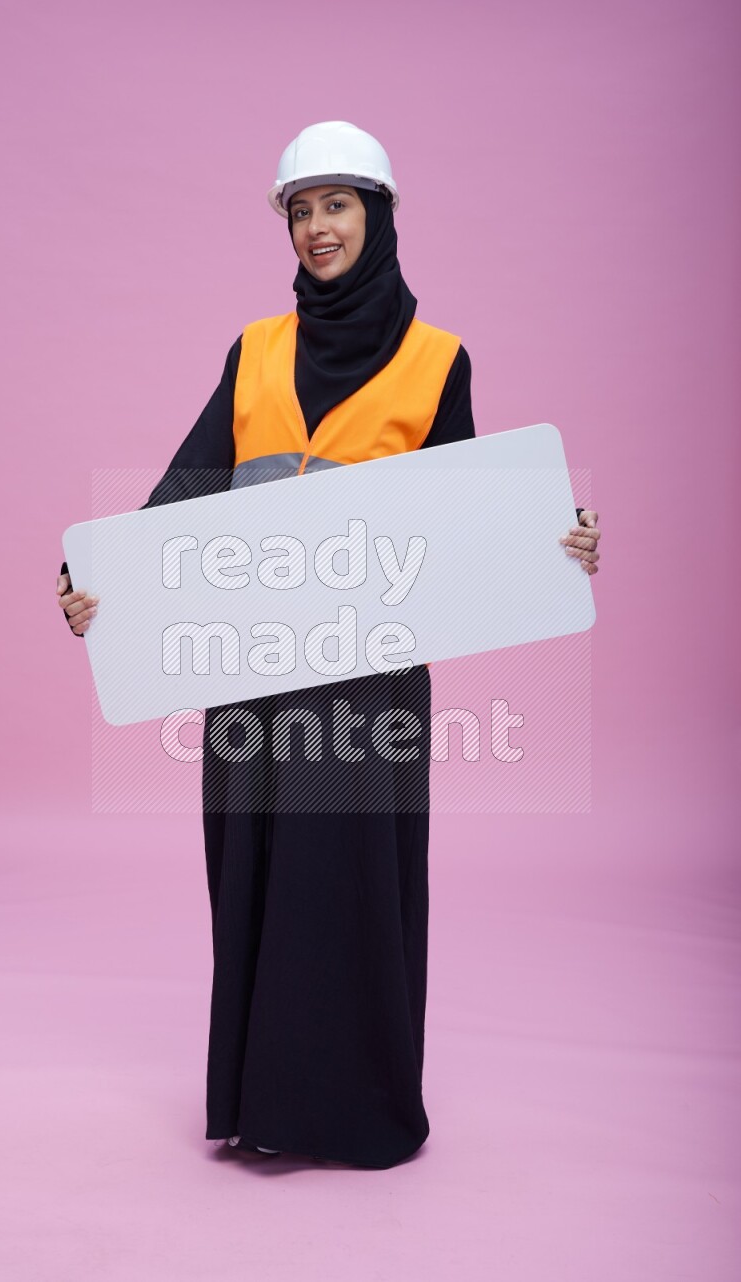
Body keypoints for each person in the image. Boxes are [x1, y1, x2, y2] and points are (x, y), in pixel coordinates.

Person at [56, 121, 602, 1168]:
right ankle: (263, 1107)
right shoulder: (254, 348)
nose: (315, 228)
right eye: (299, 210)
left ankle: (352, 1112)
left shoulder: (438, 359)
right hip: (248, 673)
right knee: (256, 872)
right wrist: (98, 581)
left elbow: (471, 520)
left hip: (367, 681)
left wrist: (557, 543)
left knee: (346, 883)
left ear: (379, 214)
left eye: (336, 204)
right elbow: (186, 487)